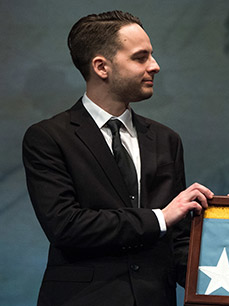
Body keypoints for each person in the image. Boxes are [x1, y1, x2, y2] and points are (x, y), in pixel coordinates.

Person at [22, 11, 213, 306]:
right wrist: (159, 217)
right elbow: (66, 226)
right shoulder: (48, 138)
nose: (155, 66)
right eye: (141, 57)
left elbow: (178, 242)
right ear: (101, 66)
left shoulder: (166, 139)